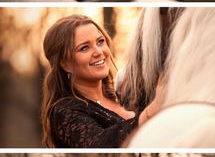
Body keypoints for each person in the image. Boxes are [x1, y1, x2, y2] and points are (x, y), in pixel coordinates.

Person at [42, 14, 164, 148]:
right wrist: (151, 112)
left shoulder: (124, 94)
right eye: (84, 48)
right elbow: (98, 144)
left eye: (100, 41)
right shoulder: (64, 112)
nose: (99, 52)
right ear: (65, 63)